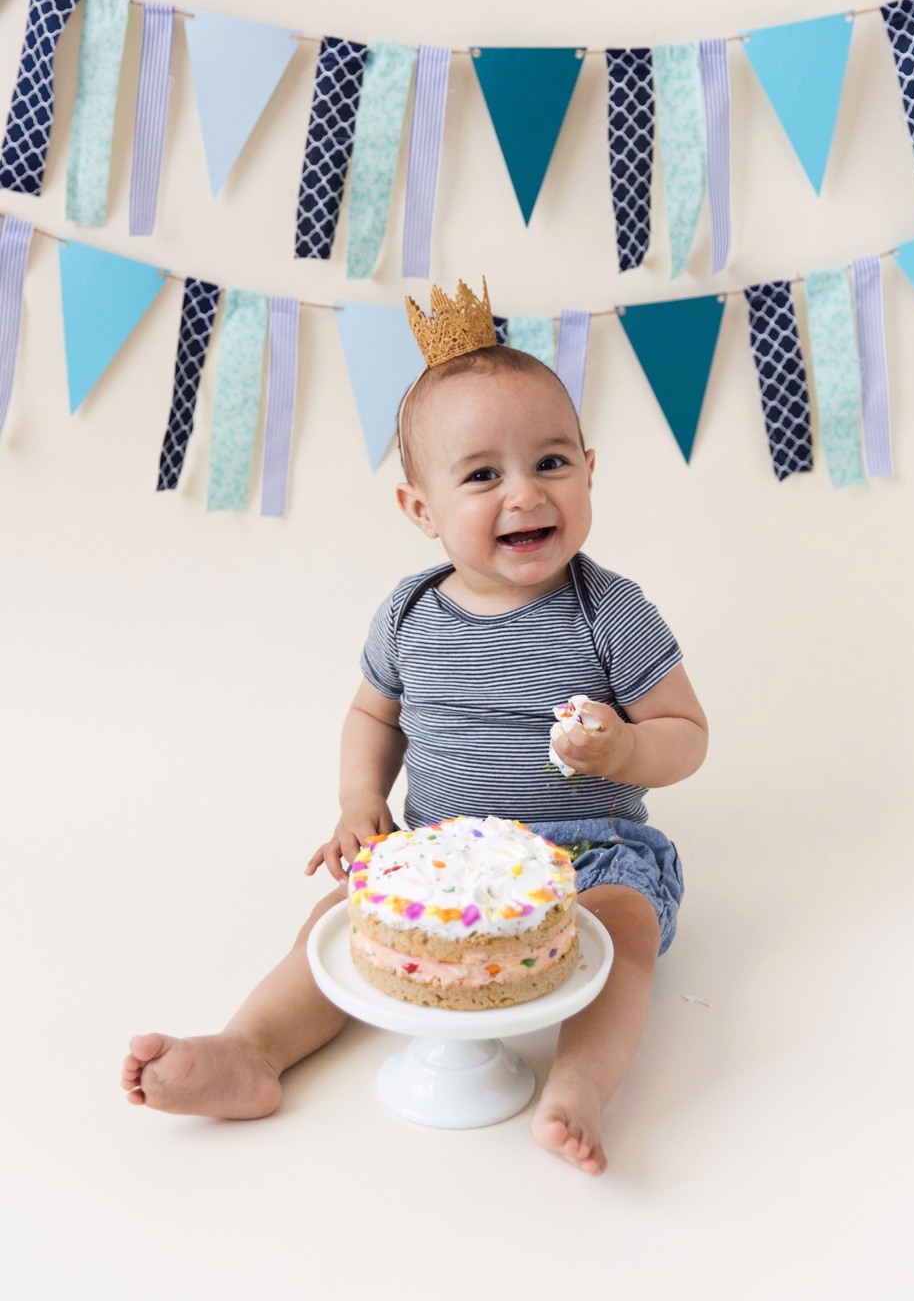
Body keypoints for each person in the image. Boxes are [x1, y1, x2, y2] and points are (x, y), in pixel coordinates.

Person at [122, 282, 708, 1176]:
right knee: (339, 922)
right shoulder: (408, 615)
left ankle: (581, 1085)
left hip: (591, 847)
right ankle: (250, 1051)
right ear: (420, 510)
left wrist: (625, 748)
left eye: (551, 462)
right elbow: (371, 712)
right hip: (439, 851)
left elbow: (684, 729)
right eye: (481, 474)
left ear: (589, 470)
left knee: (621, 932)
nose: (524, 493)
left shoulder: (609, 613)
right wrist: (360, 800)